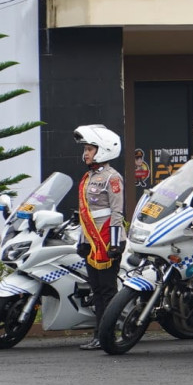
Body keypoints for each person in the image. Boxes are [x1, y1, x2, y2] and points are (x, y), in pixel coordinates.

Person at [73, 125, 125, 350]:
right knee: (96, 291)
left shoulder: (112, 178)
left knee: (107, 290)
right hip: (92, 242)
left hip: (106, 241)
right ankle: (98, 334)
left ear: (102, 150)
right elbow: (86, 215)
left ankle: (108, 335)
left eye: (90, 149)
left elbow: (117, 213)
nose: (86, 153)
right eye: (85, 149)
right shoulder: (87, 177)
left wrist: (115, 242)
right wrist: (83, 241)